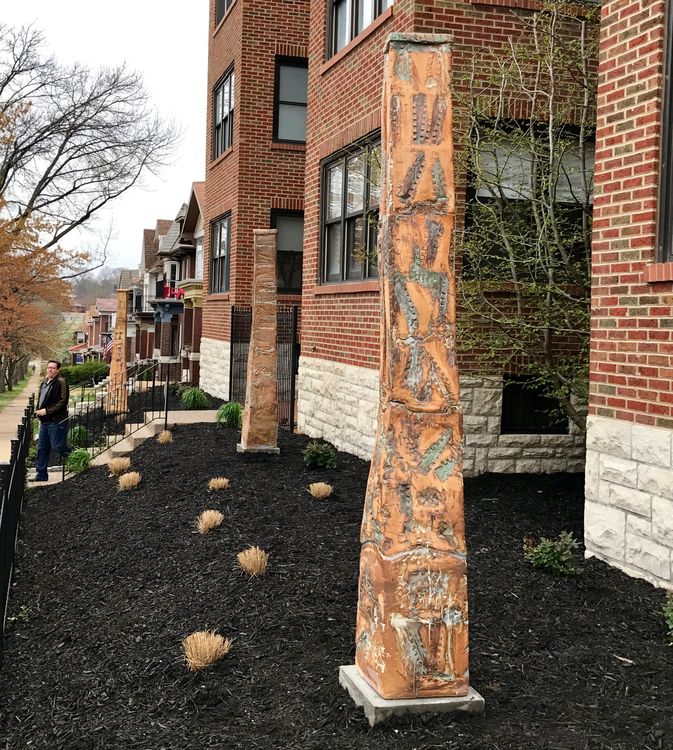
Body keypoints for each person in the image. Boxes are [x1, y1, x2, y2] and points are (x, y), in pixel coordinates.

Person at [34, 360, 70, 481]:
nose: (50, 370)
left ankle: (76, 456)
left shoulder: (61, 382)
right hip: (44, 421)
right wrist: (38, 411)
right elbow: (41, 399)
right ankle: (41, 475)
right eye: (49, 367)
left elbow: (63, 401)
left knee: (58, 446)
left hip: (56, 420)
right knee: (42, 448)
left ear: (58, 370)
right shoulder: (45, 382)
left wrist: (47, 411)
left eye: (53, 368)